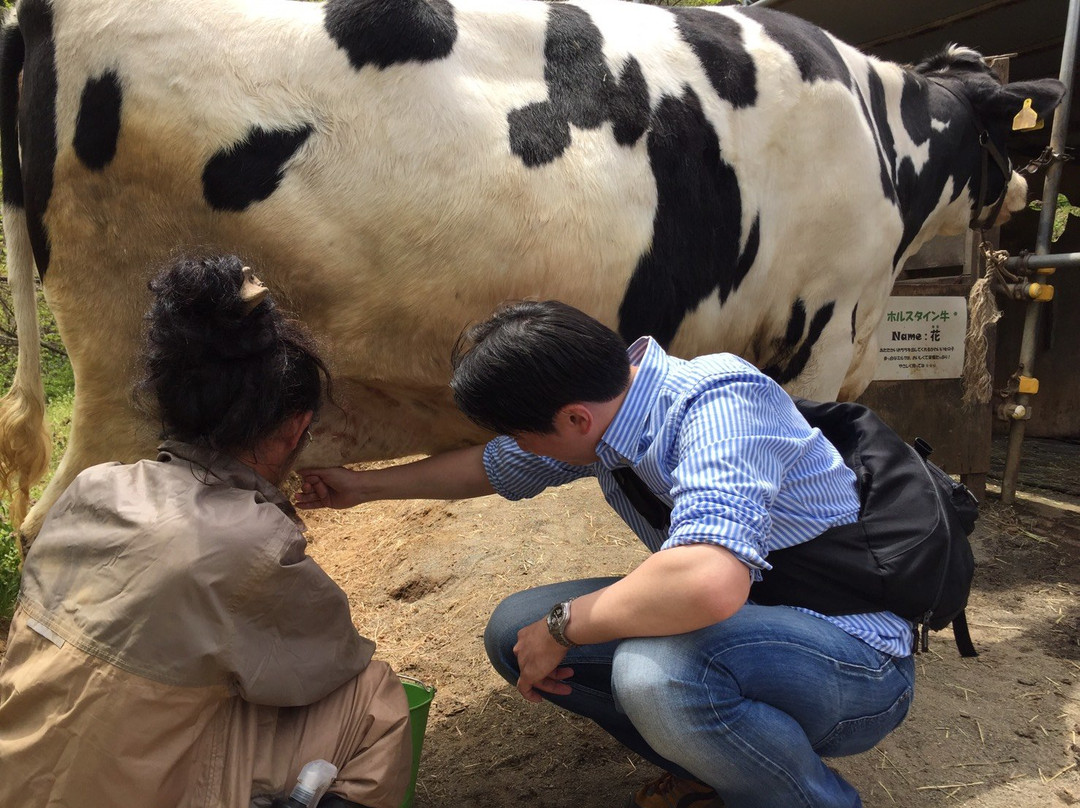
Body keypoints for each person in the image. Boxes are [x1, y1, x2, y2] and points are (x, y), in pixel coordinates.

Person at [298, 300, 916, 808]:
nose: (517, 446)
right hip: (752, 628)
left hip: (856, 658)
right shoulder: (609, 409)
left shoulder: (720, 401)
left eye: (521, 431)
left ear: (571, 418)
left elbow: (708, 583)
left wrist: (564, 627)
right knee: (515, 632)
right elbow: (490, 467)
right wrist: (363, 487)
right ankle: (717, 773)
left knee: (658, 674)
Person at [0, 256, 413, 808]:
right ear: (293, 430)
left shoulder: (92, 487)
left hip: (19, 777)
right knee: (373, 699)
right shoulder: (258, 541)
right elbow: (329, 662)